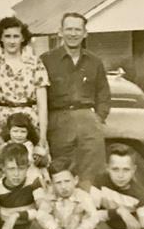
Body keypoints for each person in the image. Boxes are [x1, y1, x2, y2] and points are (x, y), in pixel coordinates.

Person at [40, 12, 110, 187]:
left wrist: (98, 119)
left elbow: (103, 94)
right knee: (61, 170)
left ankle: (90, 210)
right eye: (68, 29)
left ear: (85, 33)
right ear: (60, 32)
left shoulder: (95, 61)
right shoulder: (46, 60)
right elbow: (40, 95)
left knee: (91, 173)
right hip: (59, 121)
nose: (73, 34)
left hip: (88, 121)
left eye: (77, 29)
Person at [0, 17, 49, 148]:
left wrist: (43, 137)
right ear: (0, 38)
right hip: (3, 123)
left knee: (31, 161)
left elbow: (42, 105)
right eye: (7, 36)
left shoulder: (35, 63)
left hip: (30, 123)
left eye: (16, 36)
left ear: (23, 38)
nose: (12, 41)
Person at [0, 113, 50, 186]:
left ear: (28, 132)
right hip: (12, 177)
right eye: (15, 131)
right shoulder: (5, 147)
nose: (19, 135)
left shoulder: (31, 146)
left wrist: (40, 155)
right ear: (9, 131)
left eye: (23, 132)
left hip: (30, 176)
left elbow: (43, 161)